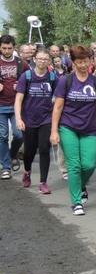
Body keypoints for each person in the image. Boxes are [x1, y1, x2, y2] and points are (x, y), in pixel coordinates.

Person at [50, 45, 96, 215]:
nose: (83, 65)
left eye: (86, 61)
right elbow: (58, 108)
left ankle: (80, 185)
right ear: (73, 62)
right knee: (74, 166)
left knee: (89, 164)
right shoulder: (66, 81)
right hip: (68, 127)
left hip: (89, 129)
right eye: (79, 62)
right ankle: (76, 202)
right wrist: (54, 131)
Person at [14, 48, 56, 194]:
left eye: (46, 59)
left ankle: (43, 182)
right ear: (34, 59)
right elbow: (18, 99)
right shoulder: (27, 76)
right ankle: (27, 171)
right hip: (29, 118)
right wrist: (18, 119)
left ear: (49, 61)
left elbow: (58, 99)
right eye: (40, 59)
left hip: (46, 118)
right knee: (30, 150)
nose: (43, 61)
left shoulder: (52, 77)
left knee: (44, 149)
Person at [0, 34, 31, 180]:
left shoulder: (21, 63)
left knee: (19, 134)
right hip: (0, 105)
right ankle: (6, 167)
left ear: (14, 48)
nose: (6, 51)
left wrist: (21, 85)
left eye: (9, 48)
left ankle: (12, 154)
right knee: (2, 135)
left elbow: (29, 81)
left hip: (16, 105)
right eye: (4, 48)